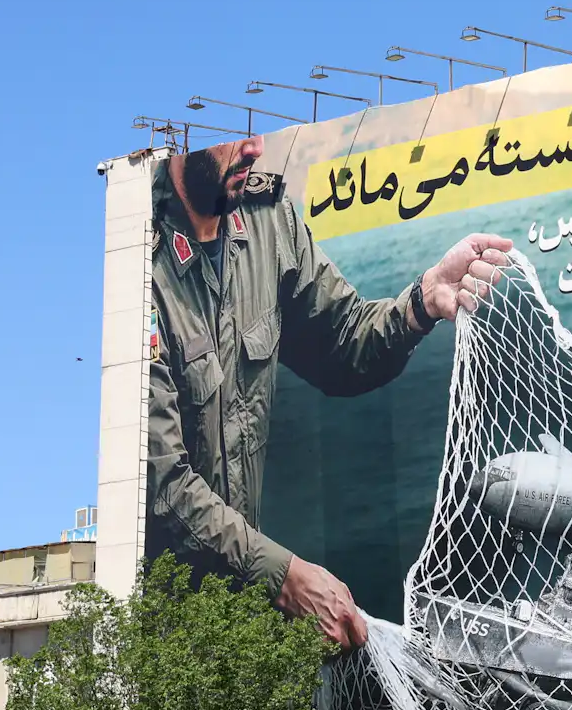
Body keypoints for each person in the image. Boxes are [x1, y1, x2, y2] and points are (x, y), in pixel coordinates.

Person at [146, 134, 515, 647]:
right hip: (164, 634)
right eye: (235, 136)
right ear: (180, 138)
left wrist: (422, 301)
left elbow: (341, 344)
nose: (254, 150)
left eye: (257, 133)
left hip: (244, 617)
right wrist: (286, 577)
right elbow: (163, 484)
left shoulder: (268, 220)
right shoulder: (139, 259)